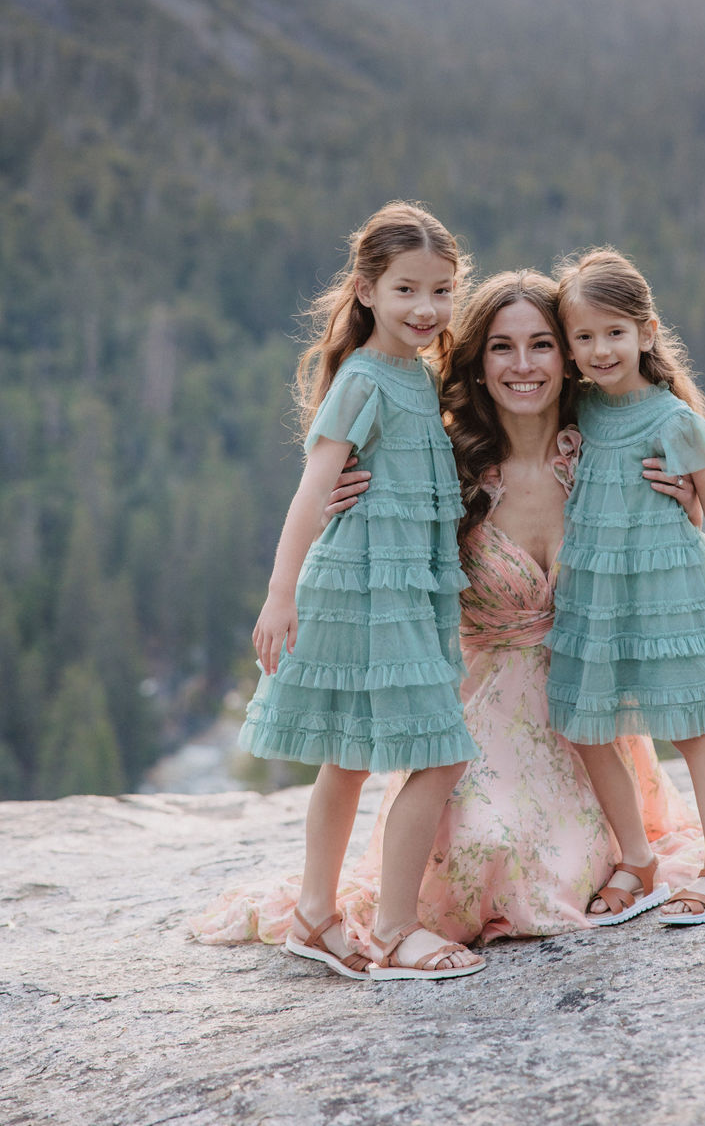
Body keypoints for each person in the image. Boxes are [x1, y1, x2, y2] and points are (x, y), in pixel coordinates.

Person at [192, 271, 705, 952]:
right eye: (501, 347)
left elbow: (675, 540)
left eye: (543, 344)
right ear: (477, 362)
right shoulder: (448, 462)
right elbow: (373, 526)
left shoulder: (610, 449)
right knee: (482, 849)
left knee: (561, 862)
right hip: (481, 706)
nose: (523, 365)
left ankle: (644, 855)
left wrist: (691, 503)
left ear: (570, 357)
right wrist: (339, 507)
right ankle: (345, 916)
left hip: (587, 709)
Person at [237, 200, 484, 980]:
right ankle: (396, 928)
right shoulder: (365, 380)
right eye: (407, 288)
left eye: (442, 290)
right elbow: (313, 489)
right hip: (356, 586)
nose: (427, 308)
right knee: (437, 755)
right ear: (367, 288)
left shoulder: (418, 375)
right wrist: (282, 595)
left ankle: (314, 917)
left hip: (402, 589)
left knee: (348, 756)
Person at [548, 247, 705, 926]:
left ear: (646, 332)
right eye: (583, 336)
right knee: (589, 727)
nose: (599, 348)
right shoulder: (579, 407)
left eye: (613, 332)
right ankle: (639, 860)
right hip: (598, 591)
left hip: (669, 584)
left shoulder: (671, 417)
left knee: (691, 729)